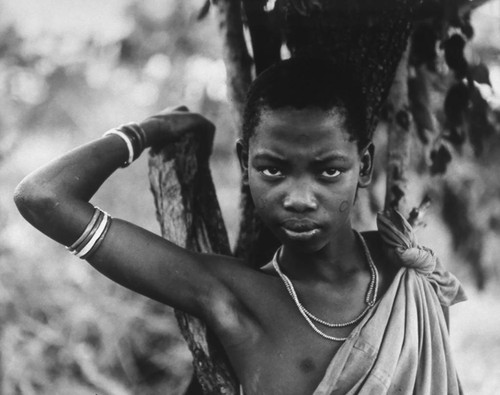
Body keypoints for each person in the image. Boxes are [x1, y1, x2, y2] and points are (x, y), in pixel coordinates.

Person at [14, 57, 465, 395]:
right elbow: (43, 197)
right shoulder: (233, 297)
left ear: (363, 165)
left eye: (328, 171)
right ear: (244, 162)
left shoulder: (408, 272)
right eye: (272, 170)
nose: (299, 198)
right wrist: (150, 129)